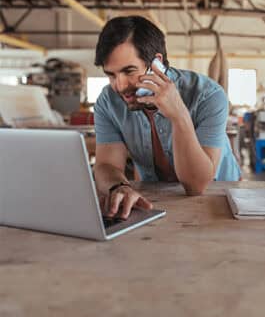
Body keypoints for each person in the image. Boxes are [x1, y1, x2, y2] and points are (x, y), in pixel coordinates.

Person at [93, 16, 241, 219]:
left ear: (156, 63)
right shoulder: (108, 102)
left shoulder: (208, 95)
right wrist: (118, 186)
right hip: (155, 200)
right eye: (111, 75)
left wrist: (179, 115)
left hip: (220, 198)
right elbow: (106, 165)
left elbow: (196, 186)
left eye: (129, 71)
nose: (120, 85)